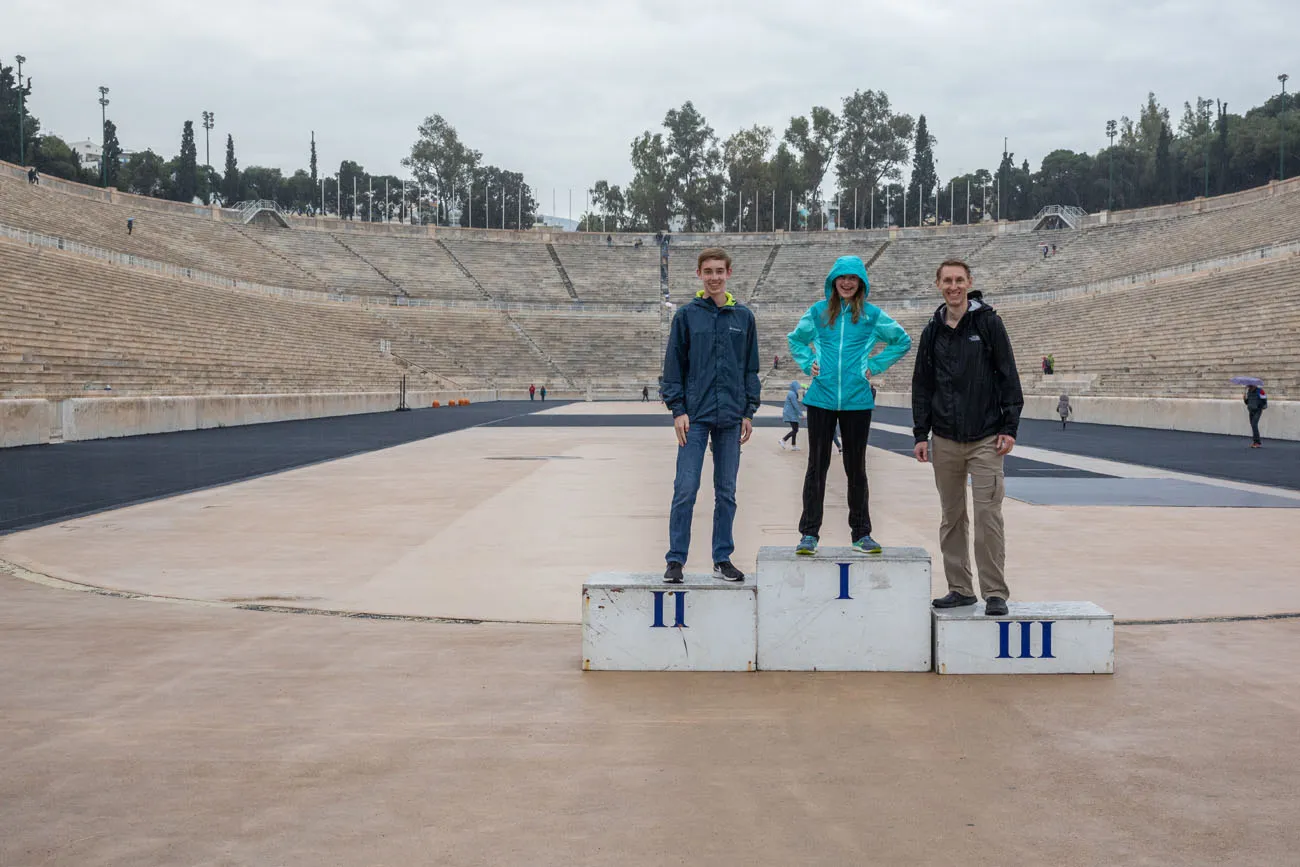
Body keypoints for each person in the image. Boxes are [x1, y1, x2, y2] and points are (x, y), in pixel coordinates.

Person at [912, 259, 1024, 618]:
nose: (954, 286)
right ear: (938, 284)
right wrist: (920, 433)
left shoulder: (988, 322)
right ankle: (960, 588)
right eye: (947, 280)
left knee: (988, 515)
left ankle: (994, 592)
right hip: (944, 438)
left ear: (969, 282)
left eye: (959, 280)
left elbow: (1008, 375)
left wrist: (1009, 427)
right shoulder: (933, 329)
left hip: (986, 438)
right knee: (952, 517)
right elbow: (922, 384)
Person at [787, 256, 912, 556]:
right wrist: (809, 363)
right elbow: (796, 340)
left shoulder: (871, 315)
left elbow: (902, 340)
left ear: (861, 283)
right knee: (817, 467)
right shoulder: (818, 313)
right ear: (833, 281)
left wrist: (873, 365)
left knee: (856, 468)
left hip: (857, 401)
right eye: (841, 277)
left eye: (852, 278)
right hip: (821, 399)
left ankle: (861, 533)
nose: (846, 282)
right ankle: (809, 534)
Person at [661, 247, 761, 584]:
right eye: (708, 271)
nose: (714, 277)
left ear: (729, 274)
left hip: (731, 417)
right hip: (696, 417)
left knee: (727, 491)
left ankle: (722, 557)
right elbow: (673, 367)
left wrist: (749, 410)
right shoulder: (687, 317)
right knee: (686, 488)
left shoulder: (744, 318)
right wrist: (678, 410)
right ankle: (675, 560)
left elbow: (750, 369)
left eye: (720, 271)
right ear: (699, 275)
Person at [779, 381, 803, 451]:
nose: (798, 388)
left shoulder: (792, 393)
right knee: (795, 429)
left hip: (792, 413)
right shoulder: (792, 394)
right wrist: (801, 413)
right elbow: (795, 405)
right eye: (797, 387)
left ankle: (793, 445)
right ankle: (783, 440)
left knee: (794, 429)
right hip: (790, 414)